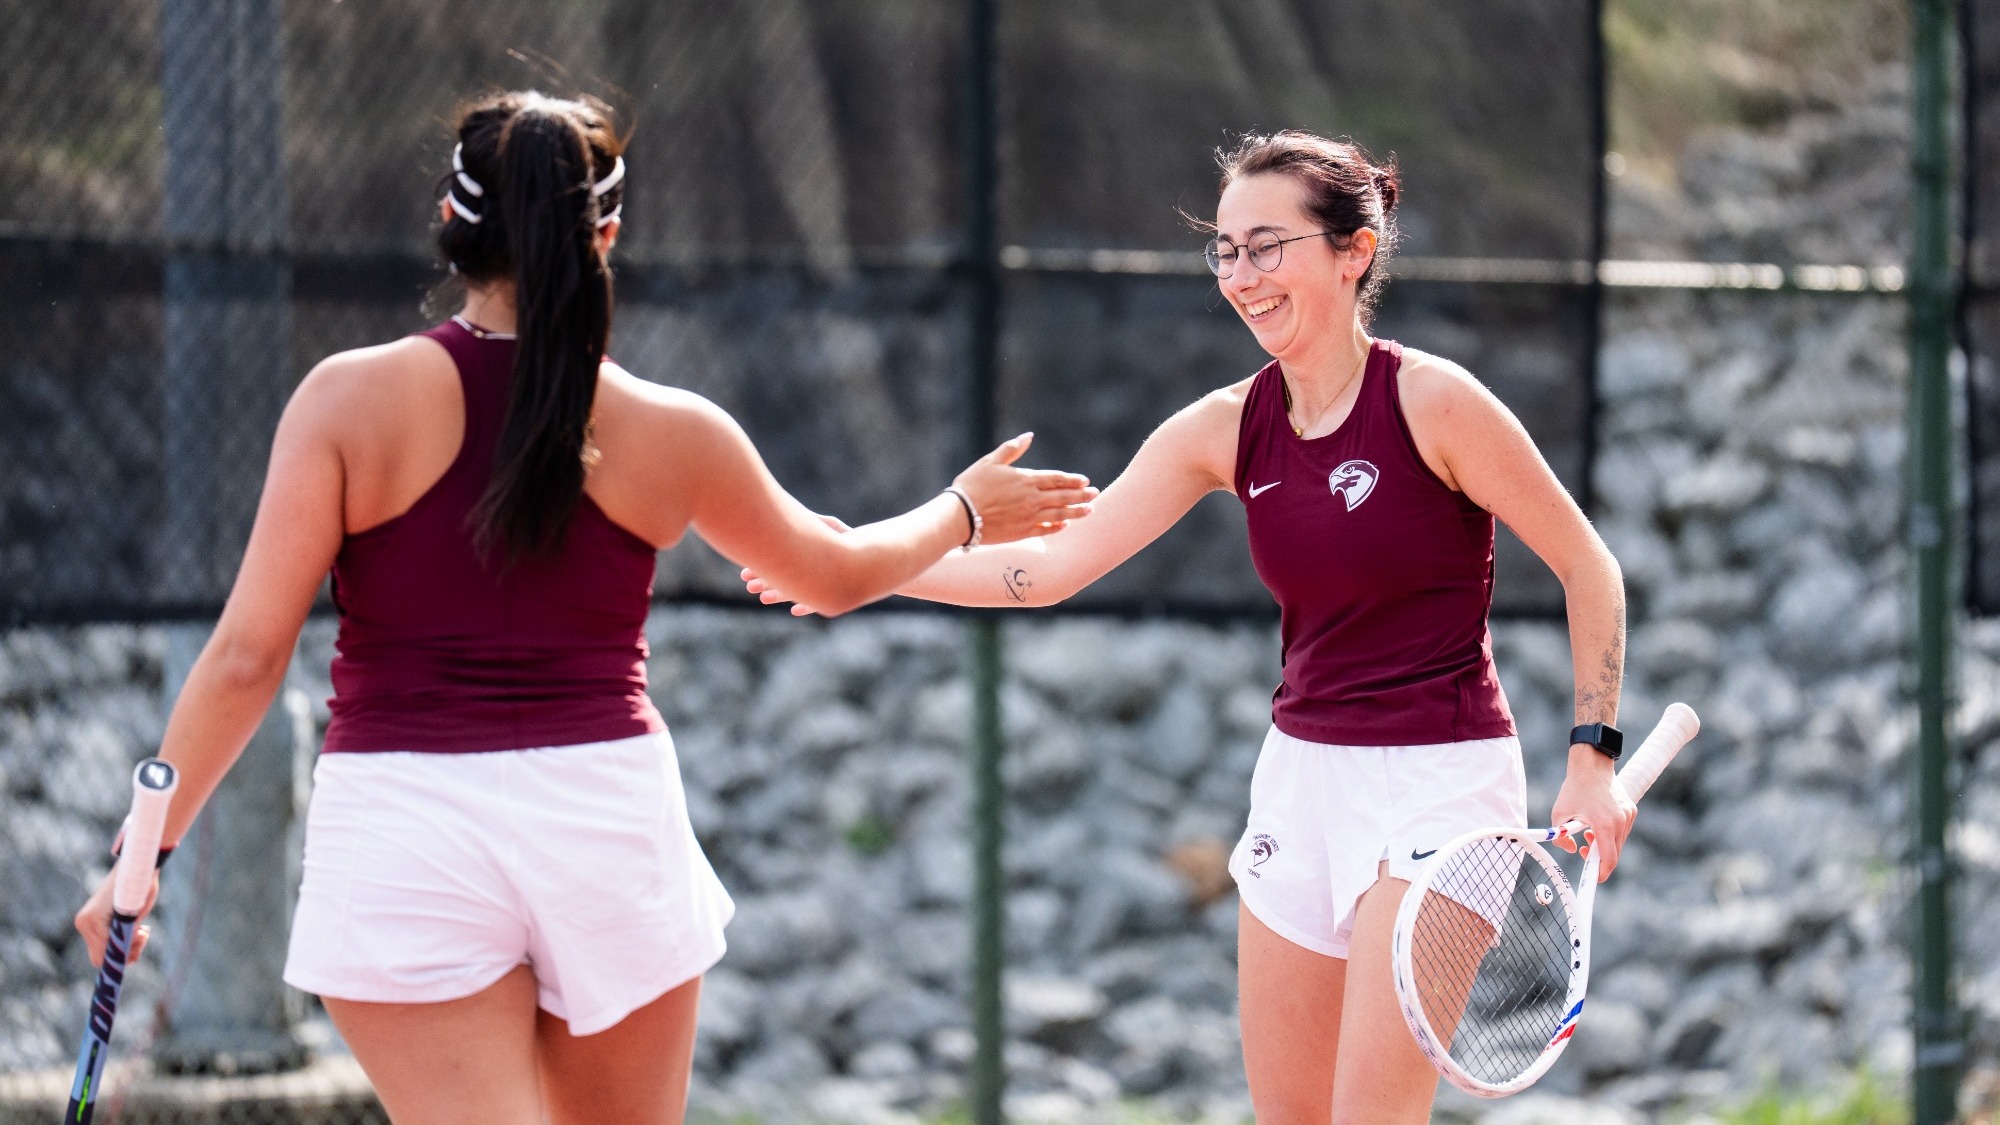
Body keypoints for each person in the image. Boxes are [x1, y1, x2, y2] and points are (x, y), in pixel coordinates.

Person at [73, 90, 1096, 1125]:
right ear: (605, 235)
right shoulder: (671, 427)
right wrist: (962, 510)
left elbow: (248, 656)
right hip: (604, 822)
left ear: (449, 218)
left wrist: (142, 857)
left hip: (403, 826)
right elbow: (830, 572)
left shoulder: (346, 400)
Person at [745, 130, 1632, 1124]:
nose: (1241, 276)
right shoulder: (1218, 427)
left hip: (1440, 788)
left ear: (1353, 250)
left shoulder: (1434, 404)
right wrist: (866, 566)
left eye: (1267, 246)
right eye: (1224, 249)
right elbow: (1048, 571)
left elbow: (1586, 565)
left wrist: (1590, 755)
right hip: (1299, 782)